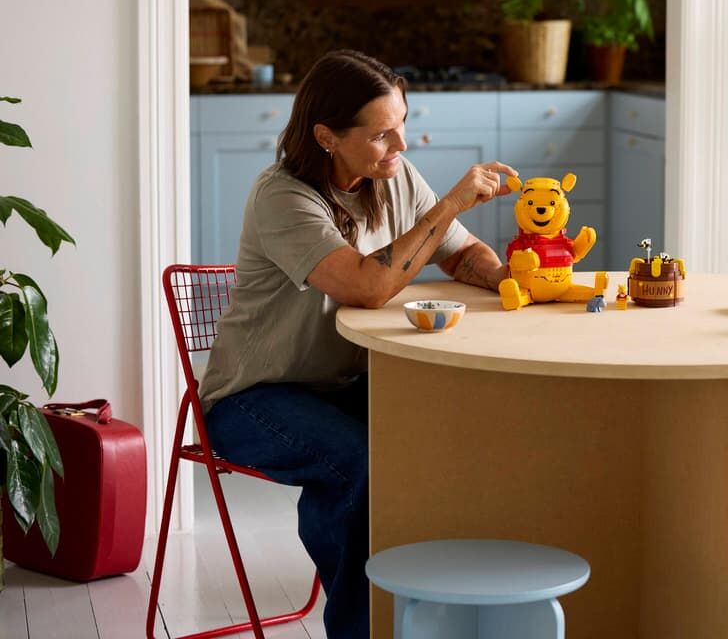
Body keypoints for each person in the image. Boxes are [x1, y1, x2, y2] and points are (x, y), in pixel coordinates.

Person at [198, 49, 516, 638]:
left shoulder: (394, 177)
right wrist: (450, 203)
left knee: (448, 433)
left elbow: (463, 253)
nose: (400, 145)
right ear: (326, 137)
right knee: (357, 461)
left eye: (402, 125)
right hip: (252, 397)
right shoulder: (283, 197)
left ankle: (432, 610)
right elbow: (367, 288)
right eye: (381, 135)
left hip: (342, 383)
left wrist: (511, 278)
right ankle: (362, 628)